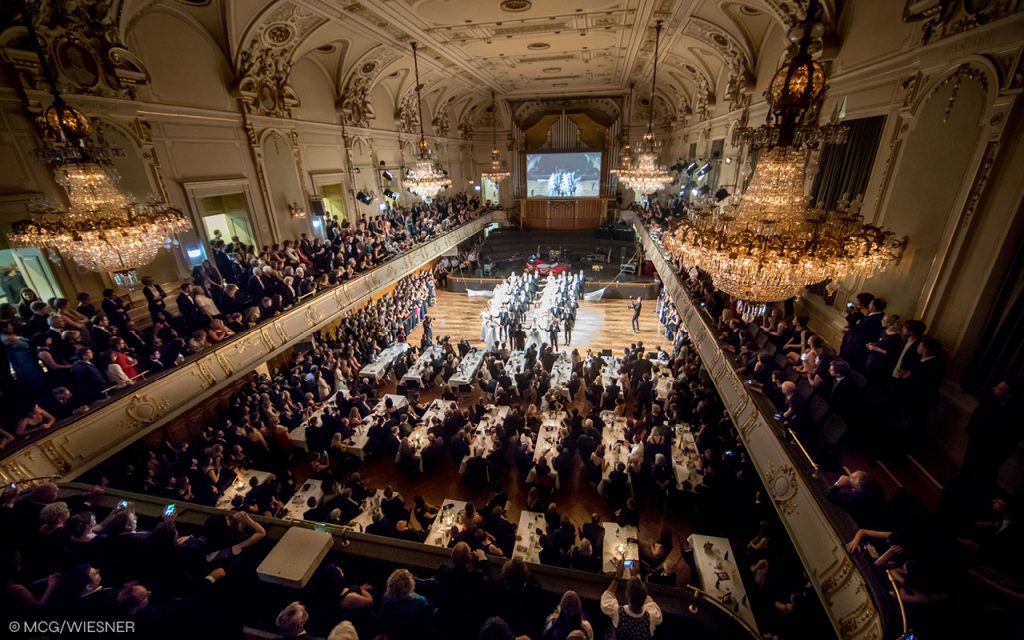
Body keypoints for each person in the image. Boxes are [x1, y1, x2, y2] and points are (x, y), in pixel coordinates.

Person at [600, 560, 663, 640]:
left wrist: (618, 577)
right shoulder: (653, 616)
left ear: (627, 596)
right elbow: (648, 601)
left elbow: (606, 598)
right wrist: (635, 578)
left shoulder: (618, 612)